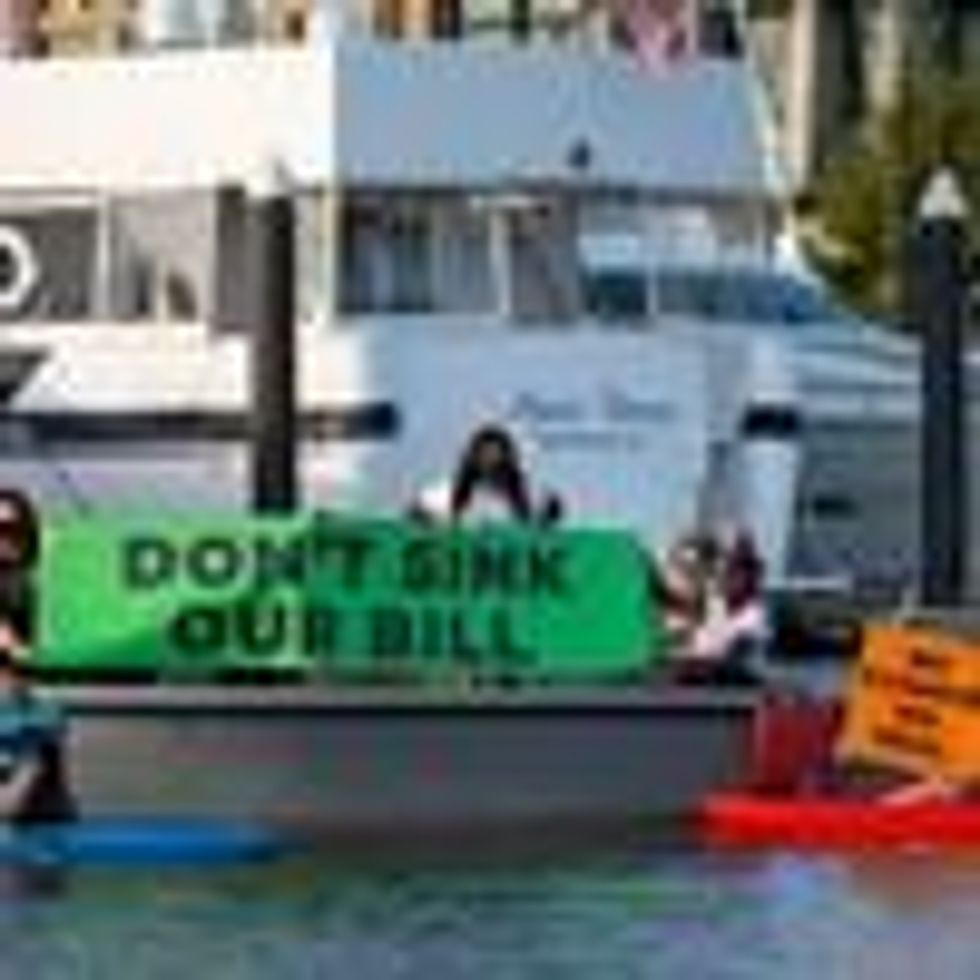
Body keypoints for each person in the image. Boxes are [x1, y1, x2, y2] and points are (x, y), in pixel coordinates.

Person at [0, 488, 76, 826]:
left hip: (16, 697)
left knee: (42, 738)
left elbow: (27, 652)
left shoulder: (26, 584)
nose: (5, 539)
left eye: (13, 529)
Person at [410, 423, 563, 527]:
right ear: (472, 459)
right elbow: (419, 508)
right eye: (484, 457)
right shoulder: (448, 494)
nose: (490, 465)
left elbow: (551, 510)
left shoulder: (529, 497)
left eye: (497, 459)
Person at [672, 529, 769, 685]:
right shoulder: (713, 606)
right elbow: (696, 645)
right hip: (704, 676)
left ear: (751, 579)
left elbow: (736, 652)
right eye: (729, 574)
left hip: (735, 679)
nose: (732, 581)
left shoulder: (754, 615)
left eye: (739, 575)